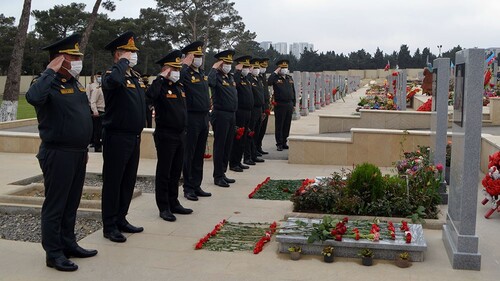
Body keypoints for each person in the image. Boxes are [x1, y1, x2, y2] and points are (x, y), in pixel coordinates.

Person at [26, 33, 97, 272]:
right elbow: (33, 97)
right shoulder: (45, 82)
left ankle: (69, 243)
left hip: (77, 153)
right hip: (57, 153)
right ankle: (53, 253)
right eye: (72, 56)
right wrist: (50, 71)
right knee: (56, 205)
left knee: (71, 203)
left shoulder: (73, 82)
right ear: (58, 60)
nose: (78, 60)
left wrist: (83, 147)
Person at [101, 31, 146, 243]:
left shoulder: (134, 77)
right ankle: (109, 226)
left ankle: (121, 218)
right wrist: (121, 64)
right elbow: (113, 82)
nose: (133, 55)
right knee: (113, 182)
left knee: (127, 181)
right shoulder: (111, 74)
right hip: (116, 137)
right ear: (118, 54)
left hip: (133, 136)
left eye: (134, 52)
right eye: (129, 52)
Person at [146, 50, 193, 222]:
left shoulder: (179, 86)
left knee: (175, 171)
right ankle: (163, 206)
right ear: (166, 69)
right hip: (166, 134)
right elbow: (149, 96)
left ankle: (174, 202)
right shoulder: (160, 86)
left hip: (180, 134)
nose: (177, 71)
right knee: (164, 172)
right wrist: (160, 77)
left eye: (178, 68)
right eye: (174, 68)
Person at [180, 41, 212, 201]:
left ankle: (196, 184)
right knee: (189, 153)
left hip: (203, 116)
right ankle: (188, 187)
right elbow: (178, 79)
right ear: (189, 58)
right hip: (191, 117)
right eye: (196, 56)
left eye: (200, 56)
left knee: (199, 153)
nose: (199, 59)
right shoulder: (184, 73)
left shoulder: (201, 73)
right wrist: (184, 65)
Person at [208, 50, 238, 187]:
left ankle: (223, 172)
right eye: (225, 63)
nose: (228, 66)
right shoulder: (216, 76)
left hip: (231, 114)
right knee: (220, 145)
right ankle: (217, 176)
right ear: (220, 64)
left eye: (229, 63)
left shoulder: (229, 77)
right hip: (220, 114)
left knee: (228, 145)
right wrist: (214, 68)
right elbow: (210, 82)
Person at [229, 55, 254, 171]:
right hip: (240, 112)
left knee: (243, 139)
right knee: (237, 138)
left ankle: (239, 161)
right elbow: (236, 83)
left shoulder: (246, 79)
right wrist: (237, 71)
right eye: (245, 67)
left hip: (248, 112)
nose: (247, 69)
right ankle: (233, 163)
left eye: (248, 67)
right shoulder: (236, 78)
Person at [268, 59, 296, 151]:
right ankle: (279, 143)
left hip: (289, 104)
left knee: (287, 124)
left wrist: (294, 104)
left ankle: (284, 142)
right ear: (279, 69)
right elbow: (269, 82)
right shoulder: (275, 78)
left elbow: (293, 91)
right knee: (279, 124)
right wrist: (275, 72)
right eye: (282, 68)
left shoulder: (289, 78)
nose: (284, 69)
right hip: (280, 104)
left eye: (286, 68)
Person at [244, 58, 265, 164]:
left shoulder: (258, 79)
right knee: (249, 133)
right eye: (254, 67)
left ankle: (254, 153)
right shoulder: (249, 79)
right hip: (252, 109)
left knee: (256, 133)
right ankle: (247, 157)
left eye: (258, 67)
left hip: (259, 109)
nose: (257, 69)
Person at [255, 58, 270, 155]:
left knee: (262, 129)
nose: (263, 69)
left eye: (265, 67)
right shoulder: (257, 78)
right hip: (259, 106)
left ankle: (259, 146)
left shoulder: (262, 77)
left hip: (265, 105)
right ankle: (255, 148)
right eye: (262, 67)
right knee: (257, 130)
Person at [88, 72, 105, 152]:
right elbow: (92, 101)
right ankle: (97, 146)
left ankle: (102, 144)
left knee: (103, 131)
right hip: (99, 111)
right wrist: (95, 111)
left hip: (105, 112)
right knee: (97, 131)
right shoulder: (97, 90)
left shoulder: (105, 89)